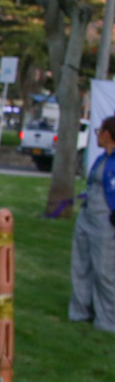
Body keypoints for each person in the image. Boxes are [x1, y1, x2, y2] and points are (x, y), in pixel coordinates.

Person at [69, 116, 115, 333]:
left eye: (99, 130)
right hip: (88, 217)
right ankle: (80, 310)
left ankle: (108, 320)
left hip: (106, 221)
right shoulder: (100, 159)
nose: (96, 134)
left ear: (107, 134)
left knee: (104, 270)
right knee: (81, 264)